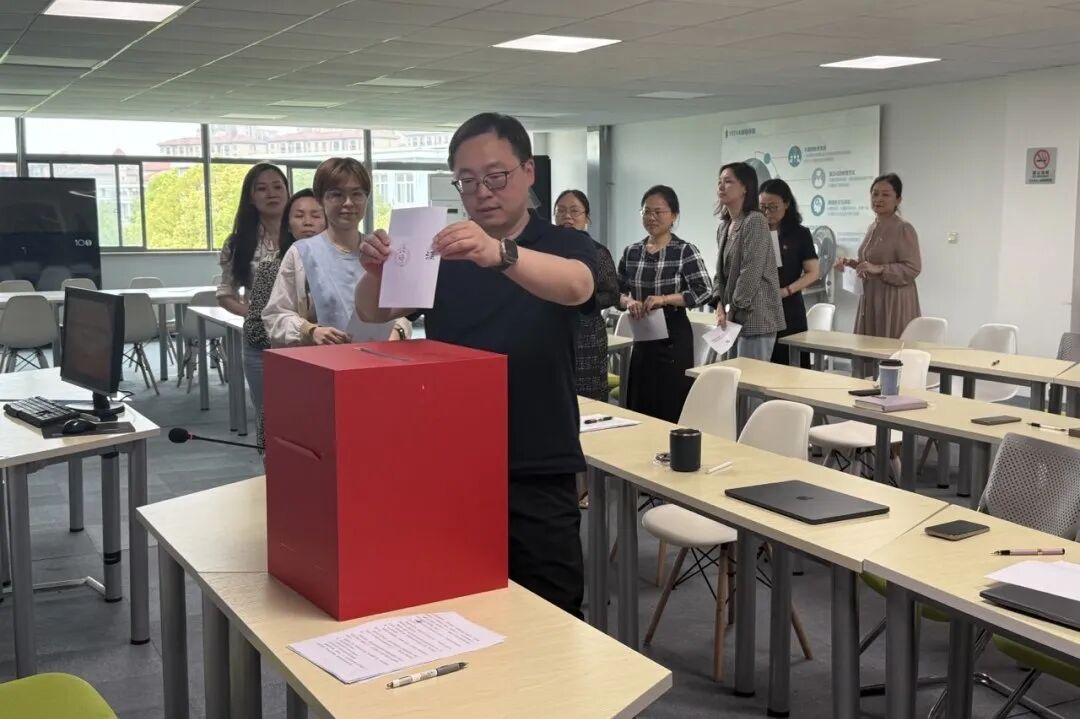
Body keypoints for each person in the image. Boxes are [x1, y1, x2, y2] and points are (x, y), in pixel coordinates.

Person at [355, 113, 597, 618]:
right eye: (466, 181)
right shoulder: (442, 252)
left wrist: (499, 253)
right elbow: (374, 311)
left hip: (538, 460)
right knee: (460, 608)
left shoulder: (564, 242)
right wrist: (376, 271)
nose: (482, 192)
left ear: (528, 172)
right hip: (454, 460)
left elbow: (578, 286)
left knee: (552, 612)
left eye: (495, 176)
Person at [263, 157, 410, 348]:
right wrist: (310, 330)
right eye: (337, 195)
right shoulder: (302, 253)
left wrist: (398, 331)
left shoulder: (380, 251)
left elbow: (401, 309)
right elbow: (274, 316)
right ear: (320, 200)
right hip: (321, 359)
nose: (348, 203)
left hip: (377, 356)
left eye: (357, 194)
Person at [617, 185, 712, 422]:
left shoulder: (684, 251)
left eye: (658, 212)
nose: (651, 217)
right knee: (640, 403)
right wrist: (628, 301)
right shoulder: (632, 252)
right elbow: (615, 291)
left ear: (674, 216)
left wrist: (665, 299)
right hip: (643, 333)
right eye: (646, 211)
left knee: (670, 404)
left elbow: (704, 291)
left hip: (674, 335)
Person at [243, 189, 326, 450]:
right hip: (287, 364)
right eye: (299, 216)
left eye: (316, 215)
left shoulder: (339, 265)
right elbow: (255, 328)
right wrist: (303, 330)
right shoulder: (272, 268)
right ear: (288, 224)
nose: (308, 222)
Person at [712, 162, 785, 360]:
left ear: (745, 187)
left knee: (749, 377)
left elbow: (750, 272)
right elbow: (720, 273)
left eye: (728, 181)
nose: (721, 186)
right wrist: (719, 305)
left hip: (756, 316)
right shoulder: (724, 226)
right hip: (732, 316)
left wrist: (731, 309)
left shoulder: (755, 220)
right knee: (731, 376)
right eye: (719, 182)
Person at [835, 173, 921, 338]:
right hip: (870, 296)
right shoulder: (873, 227)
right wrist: (849, 263)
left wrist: (880, 269)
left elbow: (913, 268)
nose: (878, 199)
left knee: (888, 347)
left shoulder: (903, 228)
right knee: (867, 345)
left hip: (893, 299)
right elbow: (868, 264)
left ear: (898, 200)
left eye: (886, 195)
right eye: (875, 194)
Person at [554, 189, 619, 401]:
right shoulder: (544, 251)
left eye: (575, 211)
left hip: (587, 335)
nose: (567, 216)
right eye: (561, 211)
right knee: (555, 397)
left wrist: (583, 300)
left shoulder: (597, 252)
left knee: (589, 401)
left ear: (587, 218)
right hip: (550, 334)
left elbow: (612, 294)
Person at [759, 179, 819, 366]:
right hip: (760, 307)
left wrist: (787, 291)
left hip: (789, 306)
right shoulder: (754, 231)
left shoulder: (799, 234)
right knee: (761, 366)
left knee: (790, 363)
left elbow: (813, 272)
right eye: (762, 207)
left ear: (786, 203)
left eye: (773, 207)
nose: (767, 213)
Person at [217, 163, 288, 316]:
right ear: (250, 198)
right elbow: (226, 293)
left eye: (277, 187)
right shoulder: (237, 243)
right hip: (261, 326)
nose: (271, 194)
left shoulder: (306, 236)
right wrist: (254, 315)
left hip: (307, 324)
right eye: (262, 189)